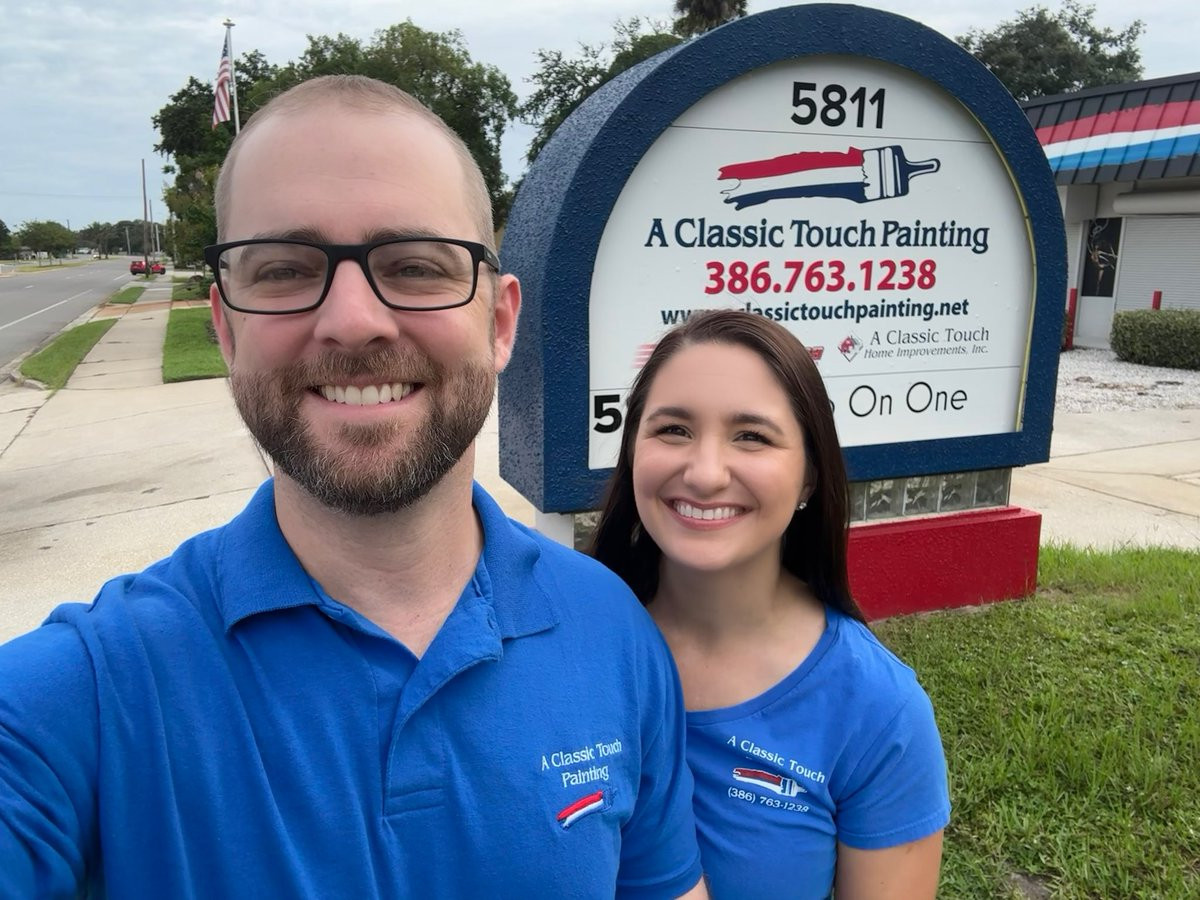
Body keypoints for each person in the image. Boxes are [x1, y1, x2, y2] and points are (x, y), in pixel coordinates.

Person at [0, 76, 706, 899]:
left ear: (500, 322)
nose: (353, 321)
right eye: (283, 269)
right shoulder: (83, 695)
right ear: (225, 329)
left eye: (414, 266)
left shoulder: (611, 629)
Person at [591, 310, 949, 899]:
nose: (705, 473)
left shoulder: (879, 712)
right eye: (673, 429)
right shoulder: (563, 640)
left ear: (810, 476)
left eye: (752, 436)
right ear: (632, 451)